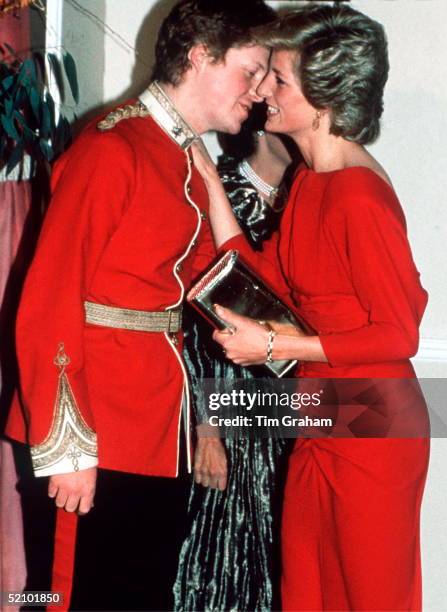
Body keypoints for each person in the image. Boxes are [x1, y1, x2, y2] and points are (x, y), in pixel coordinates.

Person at [4, 1, 275, 609]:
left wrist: (212, 192)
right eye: (250, 70)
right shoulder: (112, 148)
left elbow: (237, 296)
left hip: (156, 434)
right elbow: (47, 302)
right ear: (201, 56)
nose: (259, 92)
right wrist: (66, 447)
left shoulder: (182, 155)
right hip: (94, 436)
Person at [191, 4, 430, 611]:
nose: (262, 90)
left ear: (323, 100)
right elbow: (273, 279)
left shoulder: (356, 194)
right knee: (309, 591)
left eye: (279, 80)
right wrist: (211, 185)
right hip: (322, 411)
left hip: (374, 425)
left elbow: (398, 334)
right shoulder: (310, 181)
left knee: (369, 597)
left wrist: (275, 348)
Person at [175, 106, 298, 611]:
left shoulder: (313, 196)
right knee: (219, 567)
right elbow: (187, 322)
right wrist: (207, 428)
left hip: (297, 416)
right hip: (223, 414)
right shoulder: (211, 189)